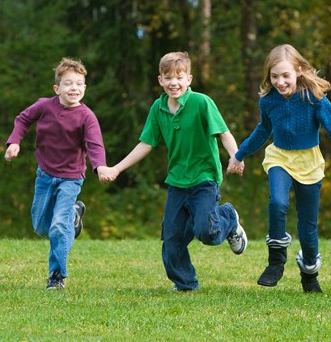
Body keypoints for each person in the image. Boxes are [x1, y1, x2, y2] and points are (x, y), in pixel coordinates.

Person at [100, 51, 247, 292]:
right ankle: (185, 284)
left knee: (207, 232)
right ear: (160, 80)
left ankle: (229, 218)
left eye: (179, 77)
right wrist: (116, 168)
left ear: (189, 79)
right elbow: (146, 143)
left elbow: (223, 132)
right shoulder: (158, 109)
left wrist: (235, 156)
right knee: (172, 237)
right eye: (168, 78)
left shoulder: (202, 102)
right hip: (178, 182)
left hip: (204, 179)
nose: (173, 83)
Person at [229, 44, 331, 293]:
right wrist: (239, 154)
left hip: (309, 162)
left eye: (285, 75)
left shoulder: (313, 98)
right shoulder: (268, 101)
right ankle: (276, 262)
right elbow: (263, 130)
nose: (280, 81)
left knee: (307, 227)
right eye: (274, 76)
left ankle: (309, 274)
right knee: (277, 202)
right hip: (279, 158)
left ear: (298, 71)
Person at [5, 57, 111, 290]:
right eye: (68, 83)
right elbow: (23, 119)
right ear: (57, 88)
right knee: (41, 226)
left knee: (57, 227)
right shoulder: (44, 106)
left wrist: (100, 166)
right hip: (45, 173)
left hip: (71, 178)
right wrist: (14, 141)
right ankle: (74, 216)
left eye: (79, 84)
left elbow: (95, 145)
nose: (74, 88)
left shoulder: (87, 116)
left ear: (85, 88)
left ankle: (56, 276)